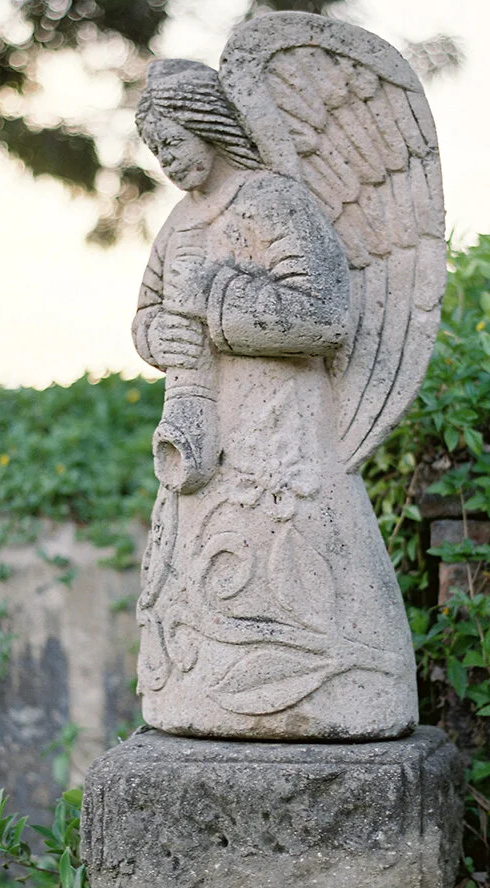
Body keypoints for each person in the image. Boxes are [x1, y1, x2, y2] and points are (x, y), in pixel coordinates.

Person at [130, 58, 416, 740]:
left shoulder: (273, 202)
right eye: (157, 152)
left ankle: (340, 688)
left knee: (295, 554)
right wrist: (158, 333)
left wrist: (216, 299)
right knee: (205, 567)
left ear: (208, 126)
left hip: (282, 425)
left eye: (174, 143)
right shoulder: (177, 223)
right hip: (201, 427)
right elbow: (146, 312)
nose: (168, 162)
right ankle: (201, 690)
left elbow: (325, 315)